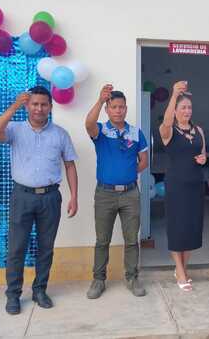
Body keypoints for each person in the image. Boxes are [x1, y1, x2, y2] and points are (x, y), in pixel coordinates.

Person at [0, 86, 78, 314]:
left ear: (50, 106)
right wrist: (15, 105)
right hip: (23, 196)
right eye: (34, 104)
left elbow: (69, 165)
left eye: (43, 104)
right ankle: (13, 295)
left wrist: (74, 196)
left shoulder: (60, 133)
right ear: (28, 106)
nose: (39, 108)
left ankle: (40, 290)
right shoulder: (15, 129)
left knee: (46, 248)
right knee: (16, 248)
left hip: (50, 197)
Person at [84, 85, 149, 299]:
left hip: (130, 194)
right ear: (108, 109)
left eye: (121, 107)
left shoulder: (135, 132)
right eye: (113, 107)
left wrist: (127, 173)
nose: (118, 110)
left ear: (126, 108)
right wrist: (100, 100)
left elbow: (144, 162)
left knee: (132, 240)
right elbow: (88, 123)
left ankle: (132, 277)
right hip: (105, 194)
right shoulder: (101, 130)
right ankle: (98, 280)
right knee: (102, 240)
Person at [159, 81, 207, 292]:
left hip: (196, 186)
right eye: (182, 108)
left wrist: (203, 159)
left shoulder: (199, 130)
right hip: (176, 186)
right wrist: (174, 95)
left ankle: (183, 269)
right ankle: (179, 270)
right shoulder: (167, 131)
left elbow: (203, 152)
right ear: (175, 111)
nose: (186, 111)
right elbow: (167, 120)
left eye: (189, 107)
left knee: (192, 229)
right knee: (177, 228)